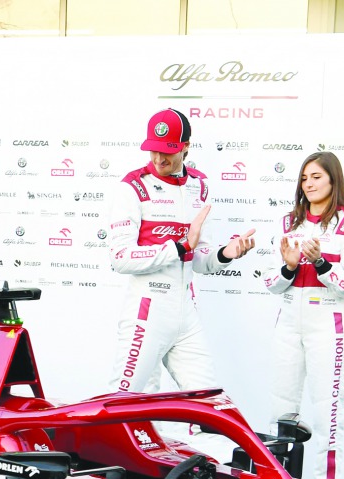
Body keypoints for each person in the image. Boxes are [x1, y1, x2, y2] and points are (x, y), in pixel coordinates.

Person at [108, 109, 255, 394]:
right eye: (153, 150)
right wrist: (179, 247)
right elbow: (120, 257)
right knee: (125, 405)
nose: (159, 159)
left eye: (168, 151)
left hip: (186, 313)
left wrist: (226, 253)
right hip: (146, 312)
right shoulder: (133, 186)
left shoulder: (199, 185)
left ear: (186, 146)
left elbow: (200, 261)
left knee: (210, 404)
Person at [264, 151, 344, 479]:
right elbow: (270, 283)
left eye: (317, 177)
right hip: (289, 322)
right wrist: (290, 266)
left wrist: (321, 264)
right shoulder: (287, 223)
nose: (309, 184)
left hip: (327, 323)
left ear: (333, 180)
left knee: (328, 414)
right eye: (305, 177)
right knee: (281, 410)